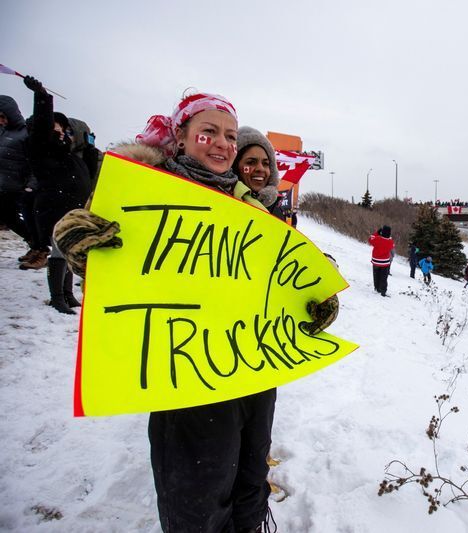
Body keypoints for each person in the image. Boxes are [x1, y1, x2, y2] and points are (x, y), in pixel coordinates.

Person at [54, 91, 339, 532]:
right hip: (186, 378)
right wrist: (80, 246)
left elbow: (279, 274)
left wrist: (317, 298)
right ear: (182, 136)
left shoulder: (250, 206)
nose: (223, 143)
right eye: (208, 132)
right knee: (198, 495)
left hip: (253, 369)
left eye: (229, 135)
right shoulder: (144, 191)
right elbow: (109, 266)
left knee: (250, 479)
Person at [22, 76, 91, 313]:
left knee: (69, 250)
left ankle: (68, 294)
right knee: (59, 252)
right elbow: (42, 128)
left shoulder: (68, 154)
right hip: (53, 208)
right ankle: (57, 297)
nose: (60, 133)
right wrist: (41, 96)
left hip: (72, 208)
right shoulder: (41, 149)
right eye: (55, 129)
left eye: (63, 130)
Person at [0, 95, 32, 253]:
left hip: (16, 186)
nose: (1, 120)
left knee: (11, 219)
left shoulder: (25, 134)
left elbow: (34, 161)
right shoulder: (2, 133)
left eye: (2, 116)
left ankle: (37, 245)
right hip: (2, 184)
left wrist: (31, 184)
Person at [232, 126, 282, 217]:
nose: (261, 169)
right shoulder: (222, 201)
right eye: (251, 162)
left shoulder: (276, 208)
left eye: (265, 163)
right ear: (235, 166)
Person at [369, 225, 394, 296]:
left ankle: (376, 288)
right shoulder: (390, 242)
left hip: (376, 261)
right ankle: (383, 290)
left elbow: (370, 239)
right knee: (384, 277)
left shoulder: (377, 239)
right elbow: (392, 246)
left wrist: (377, 233)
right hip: (385, 262)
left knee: (376, 275)